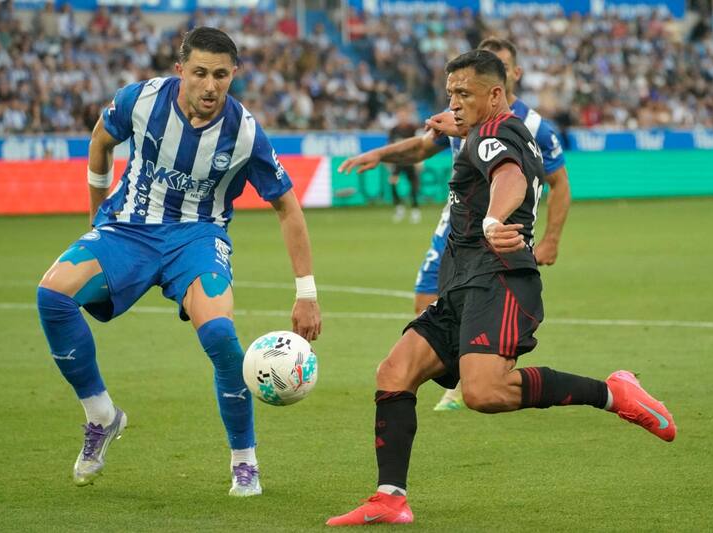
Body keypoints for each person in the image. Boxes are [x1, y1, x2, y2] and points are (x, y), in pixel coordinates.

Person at [325, 49, 674, 527]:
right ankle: (390, 498)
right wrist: (427, 140)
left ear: (495, 94)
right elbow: (477, 151)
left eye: (464, 93)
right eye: (450, 93)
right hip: (463, 283)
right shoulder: (481, 130)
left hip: (499, 280)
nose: (454, 102)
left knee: (484, 393)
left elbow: (507, 175)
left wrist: (493, 218)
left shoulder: (496, 131)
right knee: (394, 370)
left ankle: (612, 392)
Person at [35, 27, 322, 497]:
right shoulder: (141, 100)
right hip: (127, 229)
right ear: (180, 71)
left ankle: (244, 462)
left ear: (235, 75)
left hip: (197, 237)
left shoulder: (245, 132)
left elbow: (287, 205)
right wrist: (95, 221)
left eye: (222, 76)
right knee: (52, 295)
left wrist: (306, 292)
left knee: (220, 336)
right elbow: (100, 141)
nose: (210, 86)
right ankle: (101, 416)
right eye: (200, 73)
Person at [338, 38, 570, 410]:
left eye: (505, 64)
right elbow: (423, 146)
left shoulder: (530, 125)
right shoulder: (460, 110)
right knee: (423, 302)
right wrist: (381, 155)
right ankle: (464, 373)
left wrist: (549, 237)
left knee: (484, 338)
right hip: (453, 231)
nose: (455, 98)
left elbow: (548, 181)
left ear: (513, 75)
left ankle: (478, 376)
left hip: (495, 240)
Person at [387, 105, 422, 223]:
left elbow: (419, 144)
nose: (402, 117)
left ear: (407, 116)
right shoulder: (393, 130)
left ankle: (415, 210)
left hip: (411, 160)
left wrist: (419, 161)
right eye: (400, 115)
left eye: (404, 115)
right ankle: (399, 207)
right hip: (398, 162)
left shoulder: (412, 129)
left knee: (413, 186)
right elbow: (390, 147)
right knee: (393, 183)